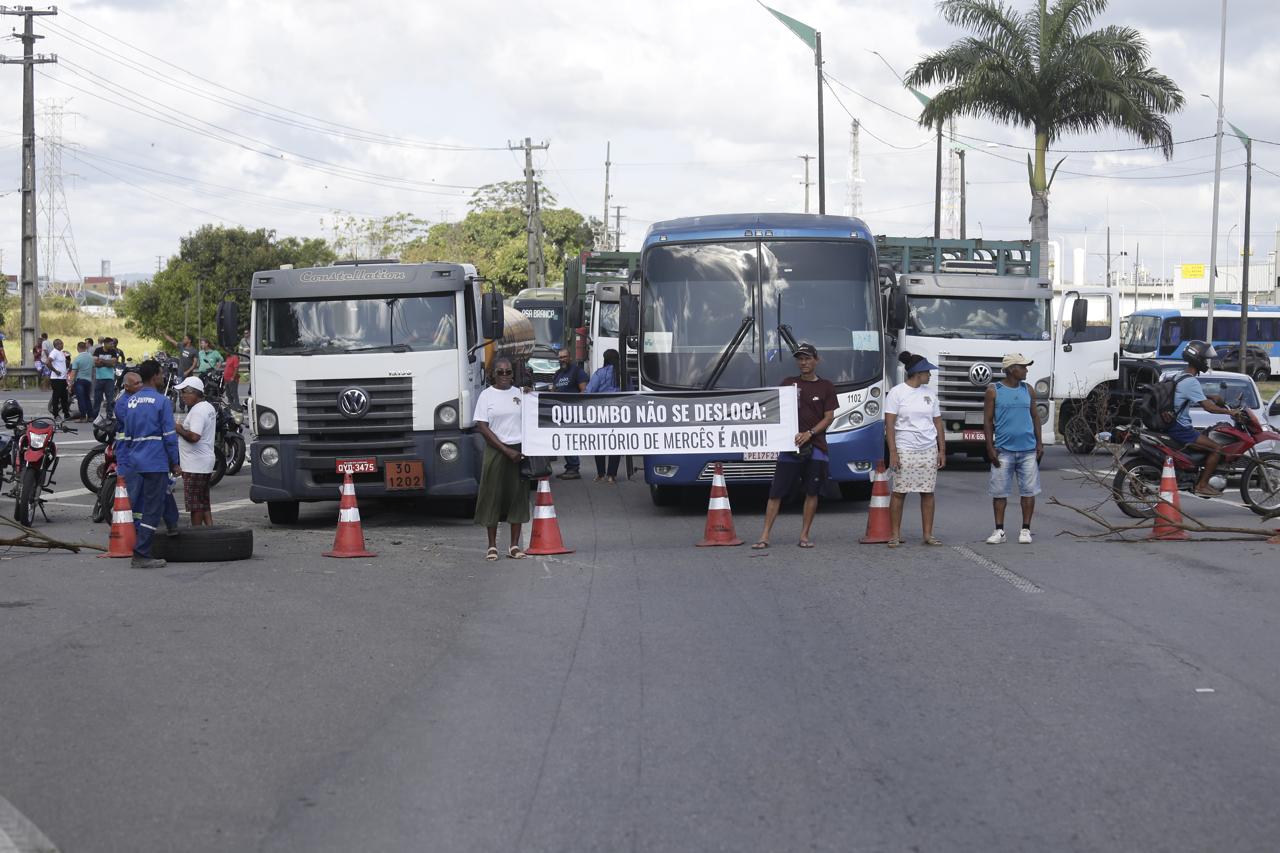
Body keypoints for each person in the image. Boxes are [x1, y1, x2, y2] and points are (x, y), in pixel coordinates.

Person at [752, 342, 838, 550]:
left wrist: (809, 434)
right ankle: (764, 536)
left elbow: (829, 417)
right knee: (776, 492)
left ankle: (804, 535)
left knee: (812, 492)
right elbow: (773, 409)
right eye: (800, 359)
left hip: (816, 446)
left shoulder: (826, 386)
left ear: (817, 361)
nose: (803, 362)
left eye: (808, 358)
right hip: (789, 447)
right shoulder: (788, 383)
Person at [120, 360, 180, 569]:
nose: (163, 377)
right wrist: (175, 462)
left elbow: (126, 435)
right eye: (162, 373)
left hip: (135, 459)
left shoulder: (131, 401)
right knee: (153, 508)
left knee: (159, 494)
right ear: (155, 376)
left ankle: (173, 524)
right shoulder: (162, 402)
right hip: (155, 460)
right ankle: (141, 553)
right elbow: (169, 436)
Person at [1159, 339, 1239, 497]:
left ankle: (1197, 473)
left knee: (1205, 437)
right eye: (1204, 358)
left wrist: (1209, 395)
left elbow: (1184, 394)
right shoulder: (1191, 381)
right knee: (1217, 448)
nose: (1206, 361)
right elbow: (1208, 408)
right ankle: (1202, 485)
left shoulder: (1180, 376)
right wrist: (1231, 413)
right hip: (1180, 428)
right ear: (1198, 359)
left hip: (1173, 425)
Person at [884, 351, 946, 547]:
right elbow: (890, 425)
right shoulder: (897, 393)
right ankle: (894, 534)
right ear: (918, 373)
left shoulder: (930, 394)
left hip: (927, 449)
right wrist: (893, 452)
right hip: (904, 448)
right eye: (927, 372)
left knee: (927, 492)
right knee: (899, 492)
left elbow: (938, 423)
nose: (930, 375)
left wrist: (941, 450)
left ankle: (928, 535)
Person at [983, 353, 1044, 544]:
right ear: (1011, 369)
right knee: (999, 492)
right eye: (1023, 367)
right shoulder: (994, 390)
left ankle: (1025, 530)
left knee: (1028, 491)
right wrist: (989, 447)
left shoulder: (1029, 390)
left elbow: (1035, 417)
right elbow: (987, 420)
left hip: (1027, 450)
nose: (1026, 370)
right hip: (1003, 450)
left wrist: (1039, 443)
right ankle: (999, 530)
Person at [473, 356, 530, 560]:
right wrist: (506, 450)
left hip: (519, 451)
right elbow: (482, 426)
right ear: (493, 375)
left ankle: (514, 546)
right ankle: (492, 546)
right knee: (492, 495)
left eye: (508, 372)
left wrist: (533, 395)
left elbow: (534, 415)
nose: (505, 375)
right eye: (500, 372)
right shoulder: (486, 396)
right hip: (497, 450)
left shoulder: (522, 394)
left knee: (517, 497)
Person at [173, 376, 216, 526]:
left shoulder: (197, 411)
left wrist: (179, 429)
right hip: (204, 462)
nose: (182, 396)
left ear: (194, 393)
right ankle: (210, 532)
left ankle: (197, 534)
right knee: (203, 502)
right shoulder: (207, 407)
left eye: (185, 392)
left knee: (195, 505)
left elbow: (194, 436)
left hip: (195, 465)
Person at [585, 348, 624, 483]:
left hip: (601, 414)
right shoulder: (624, 375)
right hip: (619, 414)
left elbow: (589, 392)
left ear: (605, 359)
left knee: (600, 443)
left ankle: (600, 474)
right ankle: (611, 475)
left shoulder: (600, 373)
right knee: (616, 444)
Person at [551, 348, 588, 479]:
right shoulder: (557, 374)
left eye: (564, 357)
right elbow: (553, 392)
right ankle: (570, 468)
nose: (562, 360)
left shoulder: (578, 372)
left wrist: (575, 406)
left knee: (570, 440)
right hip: (560, 414)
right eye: (560, 358)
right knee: (563, 441)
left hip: (572, 413)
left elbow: (584, 391)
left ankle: (574, 468)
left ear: (570, 357)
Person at [92, 336, 122, 414]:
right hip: (99, 378)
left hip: (109, 378)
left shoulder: (113, 351)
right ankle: (95, 415)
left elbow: (114, 362)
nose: (112, 345)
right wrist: (108, 363)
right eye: (111, 344)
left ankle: (109, 414)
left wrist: (102, 360)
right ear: (105, 343)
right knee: (97, 398)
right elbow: (95, 362)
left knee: (110, 398)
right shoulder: (98, 350)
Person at [69, 340, 96, 421]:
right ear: (85, 347)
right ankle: (91, 417)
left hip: (80, 381)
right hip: (88, 381)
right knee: (87, 398)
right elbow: (93, 368)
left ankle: (83, 417)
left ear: (78, 348)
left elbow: (73, 373)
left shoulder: (77, 359)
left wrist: (70, 385)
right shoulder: (91, 357)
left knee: (81, 399)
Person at [45, 338, 71, 419]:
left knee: (64, 397)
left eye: (62, 343)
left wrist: (68, 360)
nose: (62, 345)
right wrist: (55, 371)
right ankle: (55, 414)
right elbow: (47, 362)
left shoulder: (61, 353)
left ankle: (66, 413)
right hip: (56, 379)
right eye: (60, 344)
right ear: (56, 345)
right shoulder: (54, 352)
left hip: (63, 378)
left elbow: (64, 364)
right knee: (56, 397)